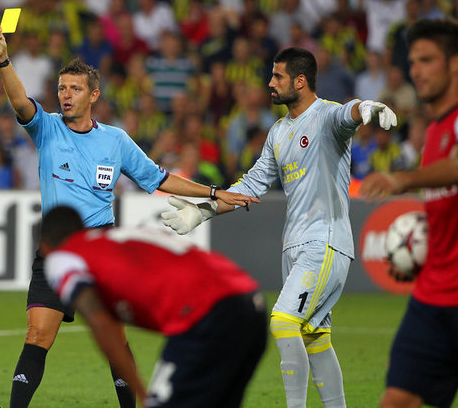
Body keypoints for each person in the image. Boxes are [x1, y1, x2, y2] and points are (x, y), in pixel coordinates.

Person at [0, 24, 256, 408]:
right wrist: (3, 59)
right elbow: (18, 102)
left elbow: (160, 179)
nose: (66, 95)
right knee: (37, 335)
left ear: (93, 95)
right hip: (56, 250)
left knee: (115, 340)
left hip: (101, 249)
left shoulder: (115, 140)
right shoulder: (46, 128)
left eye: (75, 89)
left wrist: (213, 192)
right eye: (62, 88)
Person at [161, 47, 397, 408]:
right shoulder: (278, 132)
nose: (270, 83)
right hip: (295, 245)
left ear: (300, 81)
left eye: (278, 76)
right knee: (315, 338)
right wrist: (203, 211)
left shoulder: (325, 116)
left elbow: (346, 115)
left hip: (324, 241)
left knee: (283, 321)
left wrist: (365, 107)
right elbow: (252, 185)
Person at [41, 205, 267, 408]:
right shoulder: (115, 238)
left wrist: (142, 395)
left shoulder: (63, 256)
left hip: (206, 316)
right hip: (252, 303)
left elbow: (100, 323)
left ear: (45, 247)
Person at [360, 19, 458, 408]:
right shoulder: (433, 132)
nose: (416, 70)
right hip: (433, 297)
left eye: (427, 60)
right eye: (413, 61)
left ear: (454, 63)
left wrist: (403, 179)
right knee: (396, 399)